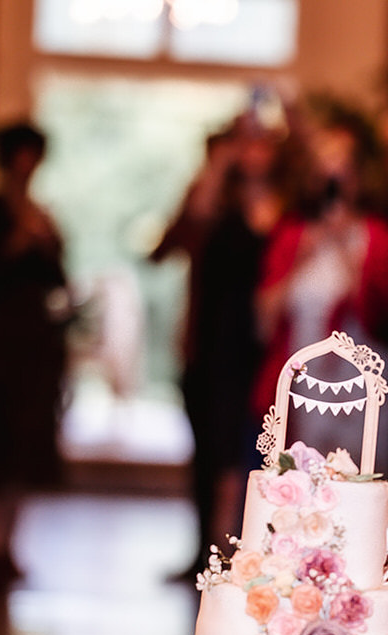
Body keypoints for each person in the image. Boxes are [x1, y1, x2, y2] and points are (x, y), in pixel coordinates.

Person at [153, 111, 290, 577]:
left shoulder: (284, 204)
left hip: (261, 346)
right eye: (244, 143)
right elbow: (186, 225)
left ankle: (240, 549)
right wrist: (222, 160)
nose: (253, 151)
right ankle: (206, 551)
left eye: (262, 143)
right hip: (211, 343)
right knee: (208, 453)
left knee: (247, 450)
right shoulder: (216, 200)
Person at [251, 107, 388, 471]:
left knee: (361, 487)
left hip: (363, 389)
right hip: (303, 386)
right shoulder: (293, 235)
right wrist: (302, 258)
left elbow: (384, 319)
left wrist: (348, 254)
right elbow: (262, 323)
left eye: (343, 171)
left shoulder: (379, 237)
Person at [0, 121, 72, 590]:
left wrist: (47, 244)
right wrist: (16, 245)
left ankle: (9, 548)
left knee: (24, 452)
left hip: (34, 349)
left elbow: (59, 284)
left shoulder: (41, 214)